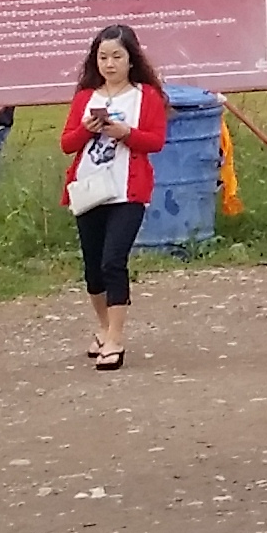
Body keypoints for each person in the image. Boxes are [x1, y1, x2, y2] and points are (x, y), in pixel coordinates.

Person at [61, 23, 165, 371]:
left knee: (112, 261)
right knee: (93, 268)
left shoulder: (146, 96)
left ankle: (116, 340)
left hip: (127, 190)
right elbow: (66, 144)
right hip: (89, 190)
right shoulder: (84, 98)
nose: (109, 64)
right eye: (103, 57)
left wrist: (126, 133)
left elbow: (155, 141)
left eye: (116, 56)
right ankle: (104, 329)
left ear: (131, 59)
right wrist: (85, 130)